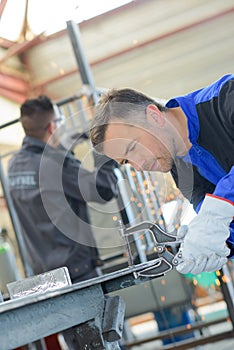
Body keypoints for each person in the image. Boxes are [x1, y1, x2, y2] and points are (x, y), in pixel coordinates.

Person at [90, 73, 234, 275]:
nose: (138, 166)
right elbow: (224, 224)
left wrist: (219, 208)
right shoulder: (181, 172)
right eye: (126, 162)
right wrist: (217, 245)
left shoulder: (226, 97)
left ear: (154, 116)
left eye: (132, 148)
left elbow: (218, 213)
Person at [8, 95, 118, 349]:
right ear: (51, 127)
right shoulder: (55, 161)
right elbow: (102, 189)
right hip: (77, 271)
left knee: (77, 343)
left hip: (46, 276)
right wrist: (109, 155)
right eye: (60, 121)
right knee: (102, 340)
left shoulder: (15, 166)